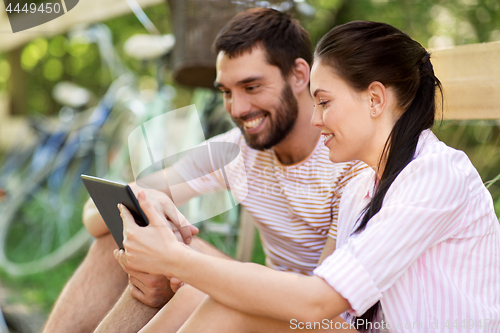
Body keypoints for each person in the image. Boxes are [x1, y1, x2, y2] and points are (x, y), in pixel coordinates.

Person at [115, 21, 500, 332]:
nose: (315, 119)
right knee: (220, 297)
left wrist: (177, 260)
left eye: (325, 102)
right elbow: (329, 311)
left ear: (376, 99)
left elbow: (316, 302)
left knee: (233, 305)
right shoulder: (362, 189)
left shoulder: (433, 174)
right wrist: (195, 268)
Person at [42, 9, 367, 333]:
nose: (237, 109)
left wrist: (176, 264)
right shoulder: (236, 150)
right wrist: (145, 203)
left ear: (299, 75)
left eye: (251, 87)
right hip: (271, 298)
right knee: (131, 240)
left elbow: (318, 302)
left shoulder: (348, 159)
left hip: (325, 318)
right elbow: (94, 217)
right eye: (226, 92)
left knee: (191, 280)